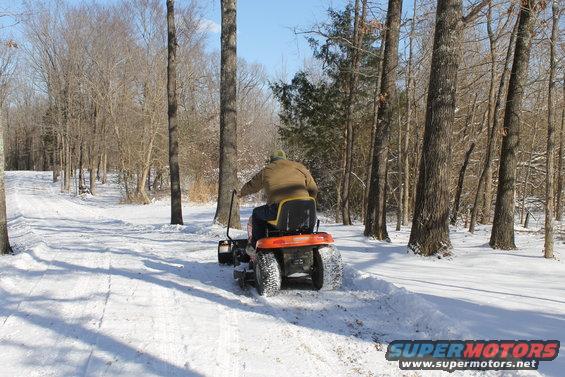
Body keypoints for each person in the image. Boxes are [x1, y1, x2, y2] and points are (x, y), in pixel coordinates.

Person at [238, 150, 318, 247]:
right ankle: (307, 238)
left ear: (272, 161)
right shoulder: (299, 167)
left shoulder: (266, 170)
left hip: (279, 209)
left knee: (256, 213)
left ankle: (257, 245)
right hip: (305, 209)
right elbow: (313, 189)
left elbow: (252, 186)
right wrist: (308, 203)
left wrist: (240, 193)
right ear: (285, 158)